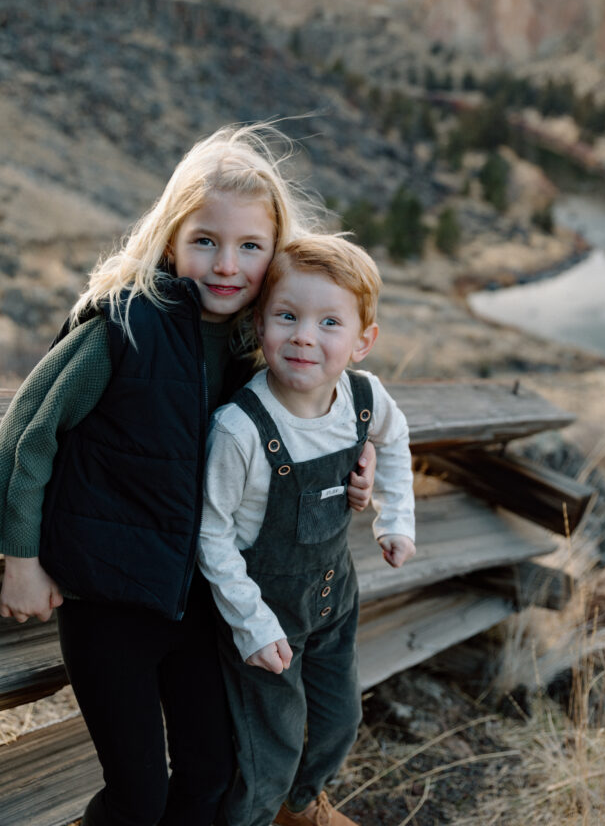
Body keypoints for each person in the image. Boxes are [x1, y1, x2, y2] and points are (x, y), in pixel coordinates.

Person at [0, 125, 376, 826]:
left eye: (249, 247)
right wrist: (20, 558)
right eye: (205, 241)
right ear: (171, 238)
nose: (226, 264)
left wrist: (360, 453)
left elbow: (323, 395)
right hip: (109, 603)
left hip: (201, 605)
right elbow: (26, 435)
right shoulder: (124, 327)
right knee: (138, 795)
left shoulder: (259, 340)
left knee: (212, 772)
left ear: (274, 253)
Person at [199, 234, 416, 826]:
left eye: (329, 323)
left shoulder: (364, 400)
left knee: (338, 719)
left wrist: (393, 518)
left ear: (362, 342)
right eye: (287, 316)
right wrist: (253, 623)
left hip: (333, 601)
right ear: (259, 322)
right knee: (268, 746)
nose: (303, 336)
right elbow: (212, 536)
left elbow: (393, 445)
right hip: (263, 616)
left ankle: (301, 807)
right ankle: (256, 816)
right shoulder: (240, 430)